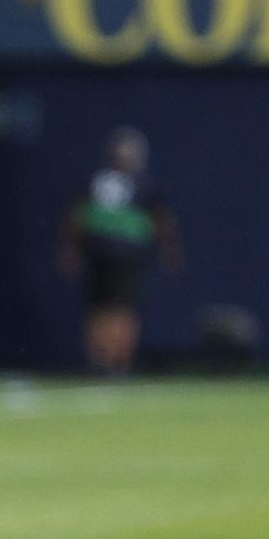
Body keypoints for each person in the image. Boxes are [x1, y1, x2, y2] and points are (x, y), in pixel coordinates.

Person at [58, 127, 180, 375]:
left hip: (127, 258)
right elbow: (75, 217)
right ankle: (100, 361)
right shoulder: (97, 181)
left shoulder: (143, 184)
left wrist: (169, 247)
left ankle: (118, 362)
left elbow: (161, 219)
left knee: (122, 310)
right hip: (102, 255)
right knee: (101, 310)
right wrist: (69, 249)